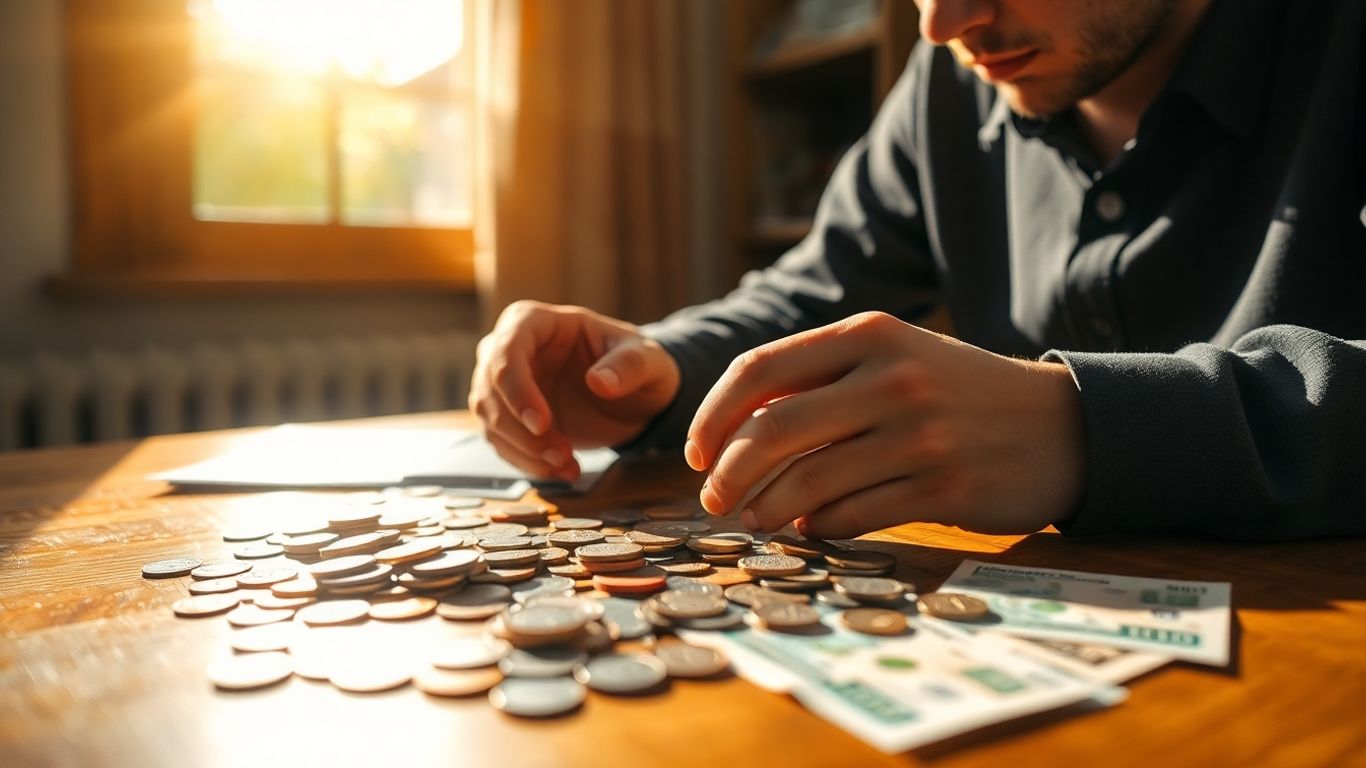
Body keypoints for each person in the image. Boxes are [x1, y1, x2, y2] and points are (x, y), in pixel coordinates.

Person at [470, 0, 1366, 541]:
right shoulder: (949, 81)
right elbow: (816, 290)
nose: (941, 24)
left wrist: (1086, 429)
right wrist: (657, 372)